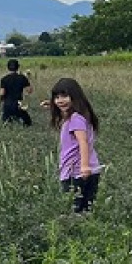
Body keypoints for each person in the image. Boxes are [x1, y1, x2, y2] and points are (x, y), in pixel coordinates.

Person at [42, 77, 102, 213]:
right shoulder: (79, 116)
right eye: (56, 97)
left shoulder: (76, 119)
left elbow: (83, 142)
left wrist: (84, 166)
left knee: (73, 212)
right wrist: (51, 106)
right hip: (87, 171)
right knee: (86, 211)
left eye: (64, 96)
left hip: (76, 173)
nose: (60, 100)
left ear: (75, 97)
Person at [0, 57, 32, 125]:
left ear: (8, 67)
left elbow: (2, 92)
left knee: (6, 123)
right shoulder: (22, 78)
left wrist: (0, 100)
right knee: (28, 123)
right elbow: (29, 90)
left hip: (7, 104)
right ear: (18, 67)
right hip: (18, 103)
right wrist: (27, 80)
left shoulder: (4, 79)